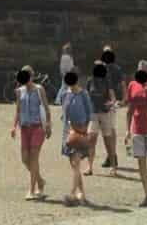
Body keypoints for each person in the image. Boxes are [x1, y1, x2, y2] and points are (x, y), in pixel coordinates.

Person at [11, 65, 53, 201]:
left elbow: (47, 109)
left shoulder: (39, 89)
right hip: (24, 128)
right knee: (25, 159)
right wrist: (13, 126)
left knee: (34, 157)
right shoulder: (19, 91)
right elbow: (18, 110)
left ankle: (32, 189)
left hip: (37, 127)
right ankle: (40, 180)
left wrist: (48, 124)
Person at [125, 64, 147, 208]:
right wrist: (127, 129)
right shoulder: (132, 85)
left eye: (144, 71)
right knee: (141, 163)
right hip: (137, 128)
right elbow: (130, 109)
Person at [59, 68, 91, 208]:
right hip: (68, 133)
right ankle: (82, 194)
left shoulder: (83, 94)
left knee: (76, 163)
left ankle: (72, 194)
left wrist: (86, 130)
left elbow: (89, 113)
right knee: (74, 166)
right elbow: (63, 112)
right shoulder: (64, 94)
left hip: (80, 132)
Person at [84, 59, 117, 176]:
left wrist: (112, 102)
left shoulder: (107, 81)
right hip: (93, 113)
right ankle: (89, 167)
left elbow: (112, 96)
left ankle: (113, 167)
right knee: (91, 140)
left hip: (105, 113)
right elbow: (86, 95)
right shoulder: (89, 81)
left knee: (108, 141)